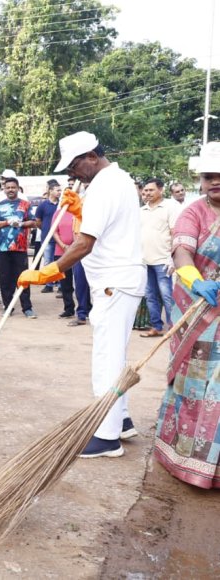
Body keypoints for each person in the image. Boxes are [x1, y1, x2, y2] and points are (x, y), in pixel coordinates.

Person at [19, 131, 146, 458]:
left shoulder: (105, 184)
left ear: (92, 156)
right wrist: (79, 212)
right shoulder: (116, 180)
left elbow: (85, 243)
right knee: (115, 352)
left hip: (113, 281)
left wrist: (50, 270)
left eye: (74, 166)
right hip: (119, 279)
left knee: (107, 356)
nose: (71, 174)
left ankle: (105, 435)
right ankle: (122, 419)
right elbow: (101, 229)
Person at [153, 141, 220, 488]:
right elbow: (182, 250)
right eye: (209, 176)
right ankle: (186, 459)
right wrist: (195, 280)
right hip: (197, 310)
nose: (215, 181)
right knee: (193, 382)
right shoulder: (193, 212)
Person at [138, 178, 180, 338]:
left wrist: (172, 257)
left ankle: (173, 329)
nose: (147, 193)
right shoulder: (141, 211)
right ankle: (156, 326)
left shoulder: (170, 207)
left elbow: (174, 232)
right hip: (145, 261)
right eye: (145, 190)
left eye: (151, 190)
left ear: (160, 190)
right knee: (150, 296)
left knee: (167, 295)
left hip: (163, 260)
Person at [0, 177, 38, 318]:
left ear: (18, 188)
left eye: (13, 187)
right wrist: (6, 222)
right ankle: (8, 307)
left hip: (20, 248)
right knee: (5, 279)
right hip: (3, 248)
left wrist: (22, 224)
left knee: (23, 278)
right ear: (4, 189)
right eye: (8, 187)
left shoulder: (25, 204)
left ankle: (27, 308)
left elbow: (34, 222)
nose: (10, 190)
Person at [34, 179, 62, 294]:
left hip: (60, 238)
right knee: (48, 262)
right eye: (57, 190)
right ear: (50, 191)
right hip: (47, 238)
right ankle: (49, 284)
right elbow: (38, 221)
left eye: (60, 190)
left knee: (61, 261)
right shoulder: (43, 205)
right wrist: (46, 230)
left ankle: (61, 285)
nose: (60, 192)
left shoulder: (62, 204)